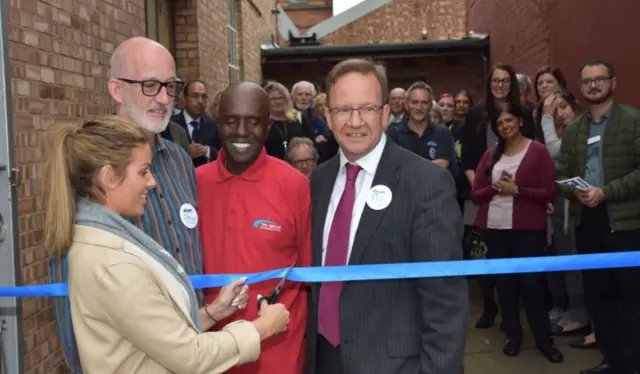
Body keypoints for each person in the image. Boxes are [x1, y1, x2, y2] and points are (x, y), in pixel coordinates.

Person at [43, 116, 290, 374]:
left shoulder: (111, 241)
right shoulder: (114, 263)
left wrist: (215, 311)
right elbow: (191, 357)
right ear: (108, 177)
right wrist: (261, 329)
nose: (152, 181)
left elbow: (158, 338)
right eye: (142, 172)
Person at [48, 36, 211, 373]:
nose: (164, 98)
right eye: (150, 85)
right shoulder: (87, 169)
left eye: (171, 86)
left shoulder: (180, 160)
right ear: (117, 89)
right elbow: (71, 293)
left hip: (190, 351)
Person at [306, 58, 469, 374]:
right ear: (327, 115)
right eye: (343, 110)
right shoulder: (317, 182)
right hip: (322, 359)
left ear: (384, 113)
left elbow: (446, 303)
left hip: (394, 365)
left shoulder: (426, 183)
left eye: (367, 109)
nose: (355, 121)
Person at [196, 82, 311, 374]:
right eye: (231, 121)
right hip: (209, 347)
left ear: (269, 126)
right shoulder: (194, 182)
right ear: (217, 123)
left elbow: (307, 273)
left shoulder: (293, 184)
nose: (242, 132)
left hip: (276, 351)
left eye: (254, 122)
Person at [556, 60, 640, 374]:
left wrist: (606, 192)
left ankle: (634, 363)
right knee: (599, 295)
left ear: (613, 83)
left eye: (600, 79)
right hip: (587, 222)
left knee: (630, 296)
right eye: (587, 81)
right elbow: (561, 174)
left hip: (626, 221)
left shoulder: (633, 121)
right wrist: (572, 191)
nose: (594, 85)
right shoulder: (575, 130)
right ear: (580, 87)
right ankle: (612, 360)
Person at [470, 103, 563, 363]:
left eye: (509, 120)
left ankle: (544, 341)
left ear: (520, 121)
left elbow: (549, 193)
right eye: (500, 123)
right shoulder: (490, 155)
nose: (505, 126)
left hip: (527, 230)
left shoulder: (538, 151)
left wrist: (518, 190)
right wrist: (494, 189)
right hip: (495, 229)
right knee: (506, 286)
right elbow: (476, 194)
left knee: (532, 286)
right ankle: (513, 336)